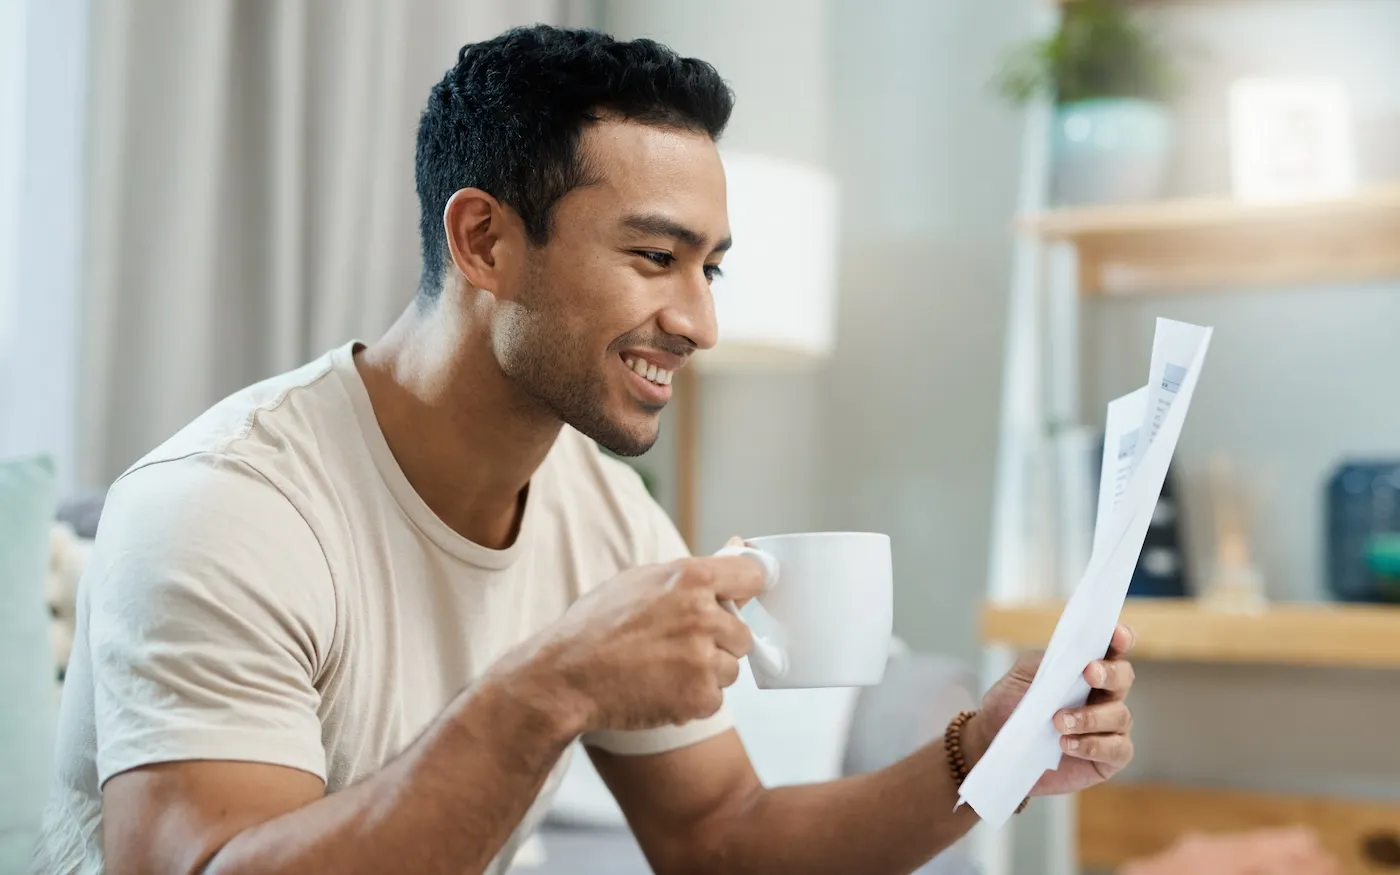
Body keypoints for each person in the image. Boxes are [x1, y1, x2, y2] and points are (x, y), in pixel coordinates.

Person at [31, 25, 1137, 875]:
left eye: (711, 269)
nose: (699, 321)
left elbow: (721, 834)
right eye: (655, 256)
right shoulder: (224, 506)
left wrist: (980, 752)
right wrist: (548, 683)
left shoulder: (603, 512)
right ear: (484, 241)